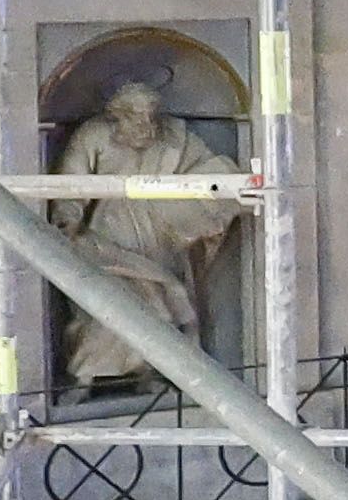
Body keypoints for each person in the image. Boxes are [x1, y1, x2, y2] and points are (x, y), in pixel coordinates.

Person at [49, 67, 238, 386]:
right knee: (111, 304)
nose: (146, 124)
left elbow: (210, 172)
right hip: (109, 234)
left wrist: (209, 202)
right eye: (136, 116)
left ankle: (147, 371)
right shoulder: (94, 136)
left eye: (151, 116)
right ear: (117, 116)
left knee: (160, 304)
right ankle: (85, 373)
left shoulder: (175, 137)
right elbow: (71, 183)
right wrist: (68, 216)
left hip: (159, 234)